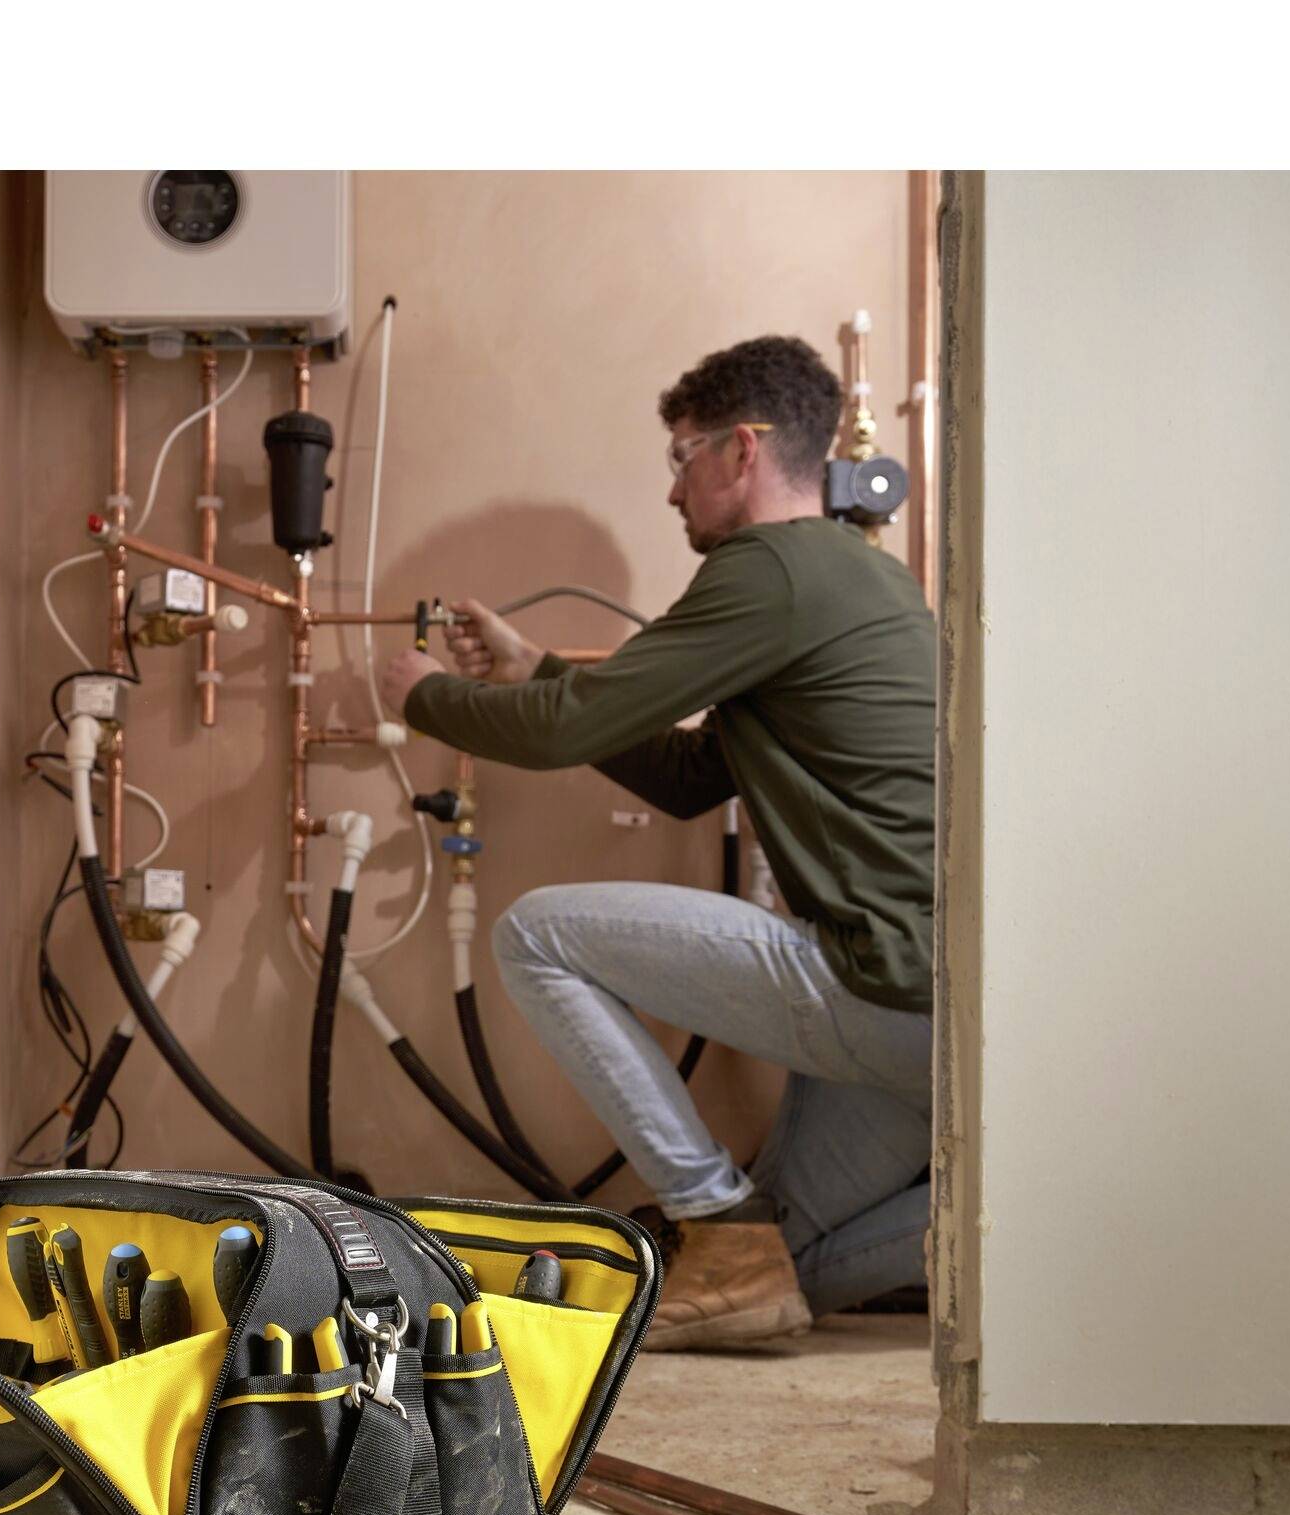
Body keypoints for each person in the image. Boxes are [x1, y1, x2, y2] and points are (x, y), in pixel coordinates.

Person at [379, 334, 936, 1350]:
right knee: (774, 1280)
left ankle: (714, 1214)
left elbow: (565, 731)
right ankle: (1008, 1220)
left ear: (741, 450)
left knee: (535, 935)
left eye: (681, 456)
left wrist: (420, 698)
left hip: (880, 980)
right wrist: (532, 669)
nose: (673, 490)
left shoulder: (765, 570)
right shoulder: (857, 578)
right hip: (942, 1020)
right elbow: (689, 780)